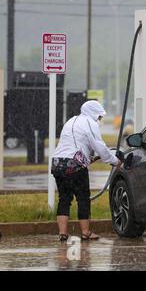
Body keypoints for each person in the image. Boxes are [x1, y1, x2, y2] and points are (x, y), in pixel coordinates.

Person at [51, 100, 122, 242]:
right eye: (99, 116)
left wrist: (90, 156)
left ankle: (62, 233)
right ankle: (85, 232)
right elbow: (99, 146)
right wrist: (115, 161)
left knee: (64, 198)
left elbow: (76, 142)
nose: (100, 119)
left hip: (58, 162)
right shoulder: (91, 123)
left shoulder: (72, 120)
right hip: (75, 164)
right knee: (83, 198)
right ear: (94, 114)